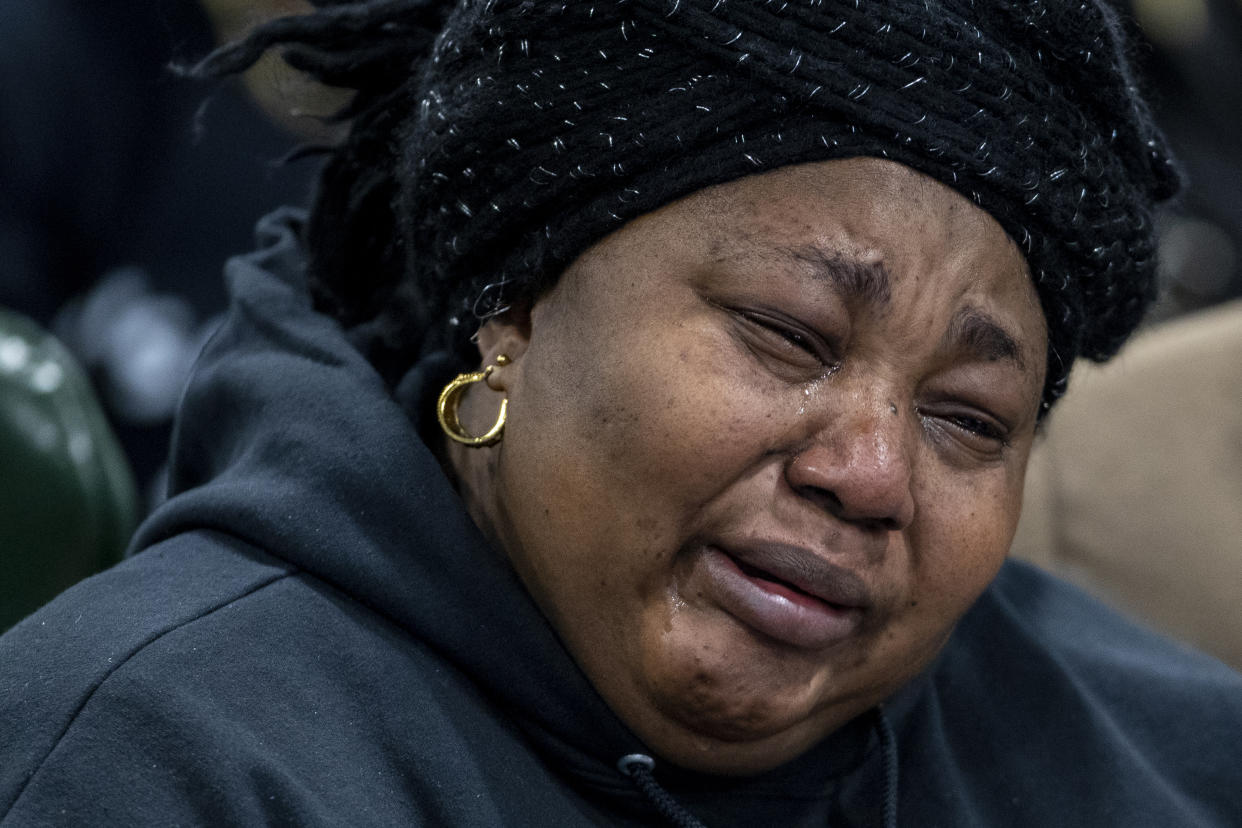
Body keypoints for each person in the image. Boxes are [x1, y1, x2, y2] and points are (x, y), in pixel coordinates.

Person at [2, 1, 1240, 825]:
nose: (871, 474)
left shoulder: (1160, 769)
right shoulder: (156, 762)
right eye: (787, 334)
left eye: (970, 418)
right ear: (519, 303)